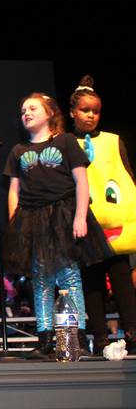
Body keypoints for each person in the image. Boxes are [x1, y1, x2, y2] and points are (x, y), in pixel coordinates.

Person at [4, 92, 112, 359]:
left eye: (32, 108)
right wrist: (14, 223)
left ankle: (74, 337)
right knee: (41, 279)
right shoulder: (19, 150)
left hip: (62, 215)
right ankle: (45, 338)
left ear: (50, 113)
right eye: (23, 111)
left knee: (69, 276)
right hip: (32, 219)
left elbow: (81, 181)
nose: (26, 113)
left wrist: (79, 216)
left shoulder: (65, 142)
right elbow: (13, 191)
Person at [69, 76, 136, 354]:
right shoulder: (64, 142)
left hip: (113, 226)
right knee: (92, 282)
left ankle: (132, 334)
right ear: (72, 112)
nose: (91, 115)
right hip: (85, 224)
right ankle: (100, 337)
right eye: (85, 110)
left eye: (95, 111)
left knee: (122, 278)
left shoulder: (113, 141)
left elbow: (126, 178)